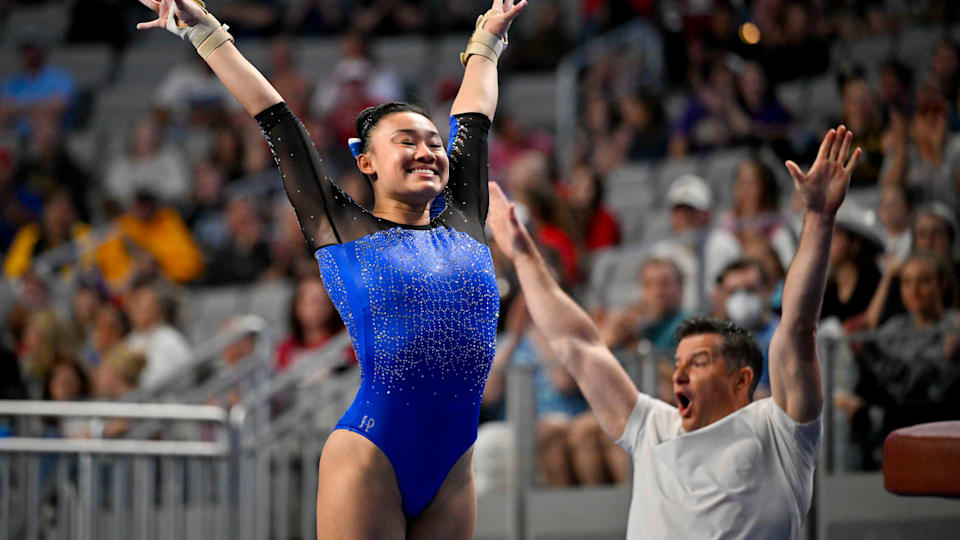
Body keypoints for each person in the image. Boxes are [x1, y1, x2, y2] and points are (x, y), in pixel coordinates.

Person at [133, 0, 525, 536]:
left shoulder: (466, 218)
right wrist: (204, 33)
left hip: (454, 469)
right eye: (406, 142)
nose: (428, 151)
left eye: (433, 142)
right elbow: (277, 121)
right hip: (370, 457)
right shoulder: (340, 226)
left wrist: (487, 40)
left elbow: (474, 115)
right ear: (366, 161)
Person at [487, 126, 861, 539]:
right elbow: (578, 345)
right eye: (679, 362)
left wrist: (819, 219)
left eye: (699, 362)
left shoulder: (780, 435)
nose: (678, 374)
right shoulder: (654, 428)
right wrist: (523, 257)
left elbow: (797, 328)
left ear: (742, 380)